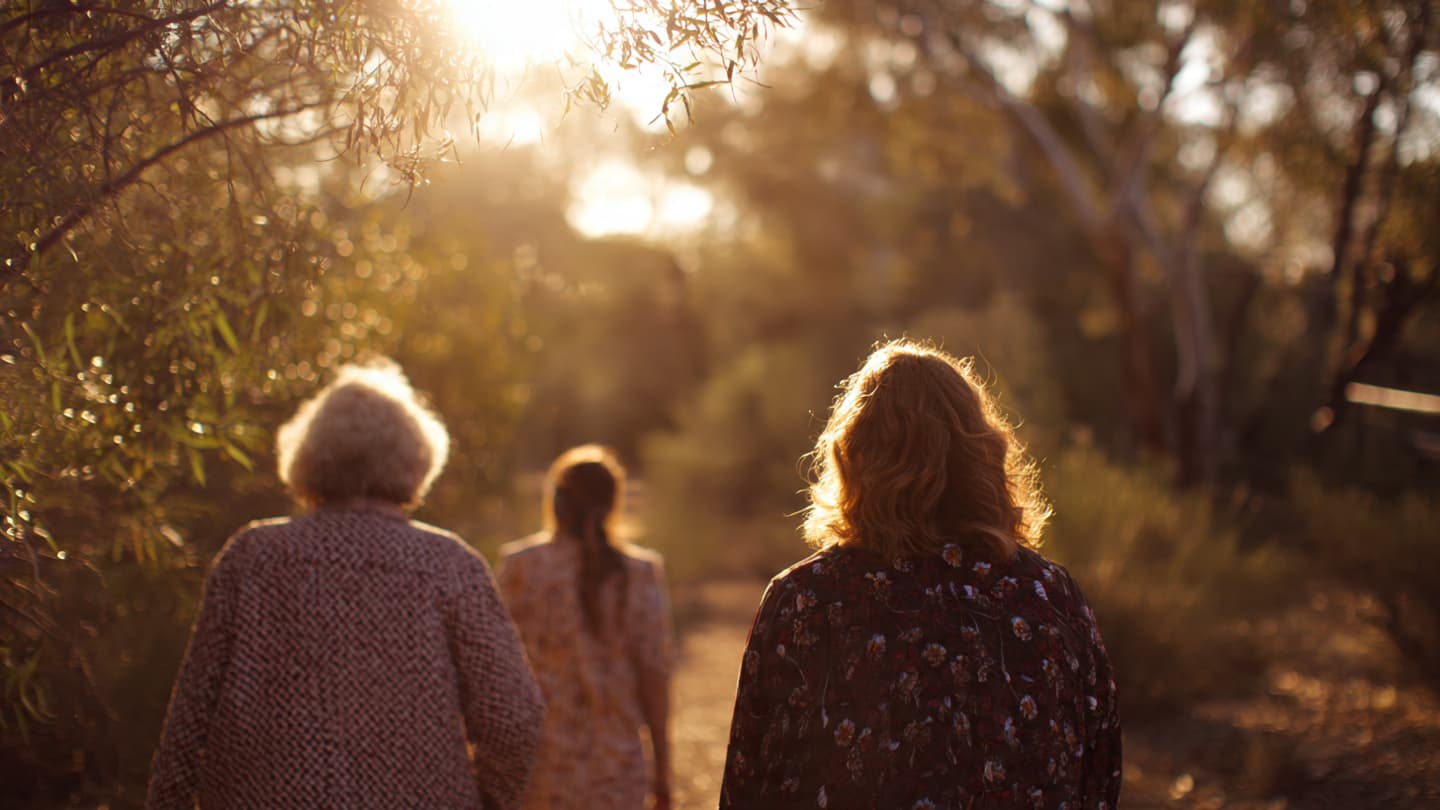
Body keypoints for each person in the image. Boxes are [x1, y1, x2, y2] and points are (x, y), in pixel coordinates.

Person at [720, 340, 1121, 810]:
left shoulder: (805, 599)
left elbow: (752, 779)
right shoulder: (1051, 595)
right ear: (981, 454)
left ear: (853, 456)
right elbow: (1100, 770)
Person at [147, 361, 544, 810]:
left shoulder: (252, 557)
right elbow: (514, 716)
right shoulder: (449, 565)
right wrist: (485, 798)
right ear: (418, 459)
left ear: (308, 456)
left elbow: (190, 717)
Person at [498, 445, 675, 810]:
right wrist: (663, 771)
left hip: (540, 766)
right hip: (616, 767)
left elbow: (496, 671)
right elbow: (654, 676)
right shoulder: (639, 573)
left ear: (556, 499)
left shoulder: (520, 567)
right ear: (614, 504)